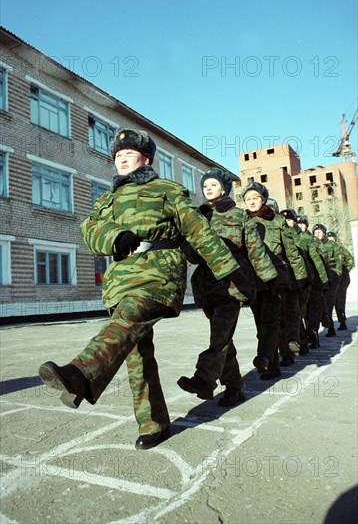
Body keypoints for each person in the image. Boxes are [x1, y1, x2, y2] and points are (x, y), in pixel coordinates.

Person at [38, 128, 242, 450]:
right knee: (137, 354)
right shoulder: (106, 199)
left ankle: (80, 373)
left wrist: (230, 272)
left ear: (145, 159)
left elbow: (198, 231)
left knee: (130, 317)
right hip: (120, 280)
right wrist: (114, 237)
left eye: (128, 155)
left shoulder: (168, 189)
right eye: (117, 156)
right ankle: (153, 424)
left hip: (157, 274)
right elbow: (90, 232)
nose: (121, 160)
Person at [177, 168, 278, 406]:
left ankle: (204, 379)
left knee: (220, 337)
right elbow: (192, 255)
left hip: (233, 286)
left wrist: (269, 281)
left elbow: (255, 250)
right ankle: (234, 388)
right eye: (205, 186)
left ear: (224, 188)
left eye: (213, 184)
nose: (208, 188)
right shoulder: (200, 218)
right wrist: (185, 240)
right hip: (207, 287)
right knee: (224, 339)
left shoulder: (240, 216)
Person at [242, 183, 307, 379]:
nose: (251, 201)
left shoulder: (277, 221)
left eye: (255, 197)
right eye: (247, 199)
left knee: (271, 322)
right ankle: (273, 366)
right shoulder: (241, 221)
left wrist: (300, 278)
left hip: (276, 279)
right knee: (261, 326)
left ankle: (265, 358)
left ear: (263, 199)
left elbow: (292, 252)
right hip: (254, 280)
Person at [294, 214, 328, 353]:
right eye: (298, 223)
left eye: (302, 224)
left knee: (312, 310)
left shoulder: (312, 240)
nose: (300, 226)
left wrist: (324, 279)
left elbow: (323, 257)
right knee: (302, 311)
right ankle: (305, 338)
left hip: (314, 280)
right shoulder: (294, 238)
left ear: (306, 225)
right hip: (302, 280)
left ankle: (312, 335)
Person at [312, 224, 342, 337]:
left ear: (324, 233)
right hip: (320, 278)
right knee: (319, 305)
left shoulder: (331, 245)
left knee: (329, 303)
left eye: (319, 232)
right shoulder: (313, 244)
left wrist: (337, 274)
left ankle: (330, 328)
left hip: (332, 276)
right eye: (315, 233)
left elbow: (339, 262)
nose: (317, 234)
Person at [326, 232, 354, 331]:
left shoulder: (342, 249)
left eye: (332, 239)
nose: (330, 241)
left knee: (340, 300)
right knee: (330, 302)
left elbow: (350, 260)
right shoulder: (325, 248)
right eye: (328, 239)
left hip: (342, 279)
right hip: (332, 278)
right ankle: (330, 326)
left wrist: (345, 270)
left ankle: (342, 322)